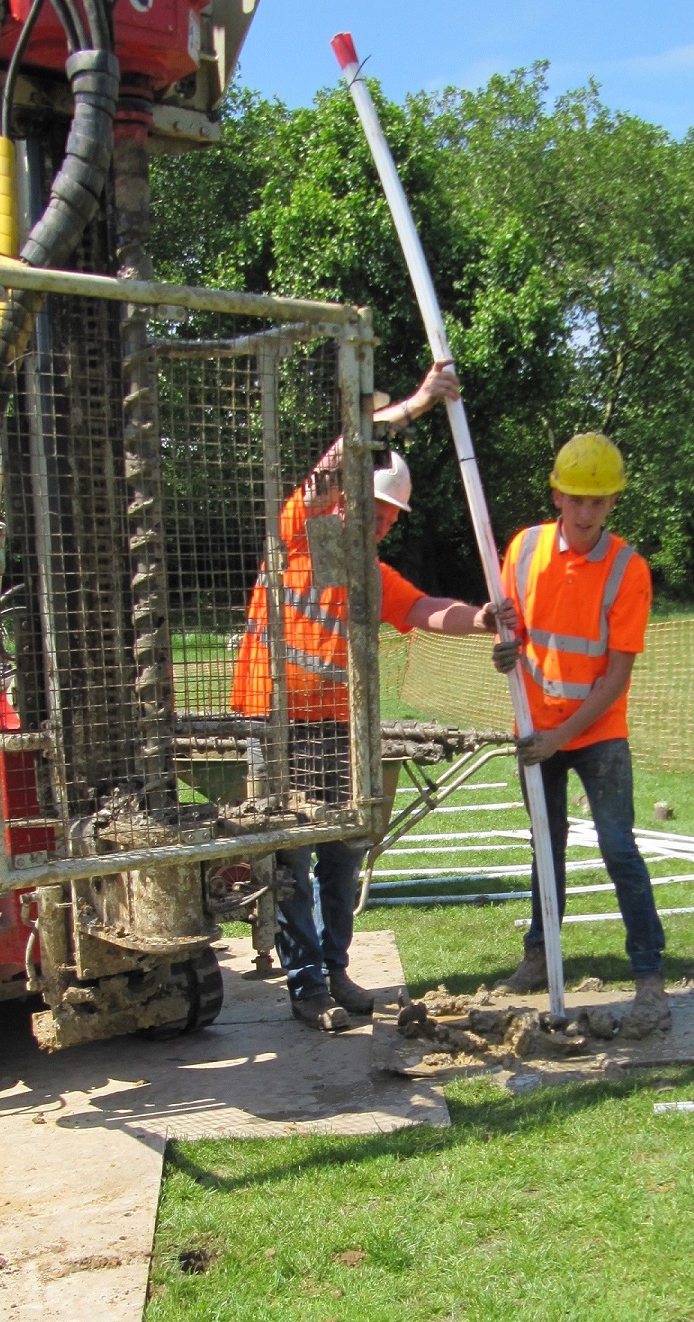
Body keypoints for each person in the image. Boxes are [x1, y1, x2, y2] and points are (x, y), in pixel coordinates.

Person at [231, 361, 502, 1031]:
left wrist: (485, 617)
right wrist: (414, 404)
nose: (379, 524)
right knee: (290, 856)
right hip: (273, 726)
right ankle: (305, 986)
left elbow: (427, 609)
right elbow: (338, 454)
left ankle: (336, 969)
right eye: (371, 509)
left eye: (388, 518)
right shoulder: (296, 533)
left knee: (342, 853)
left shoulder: (372, 574)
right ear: (344, 497)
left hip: (334, 729)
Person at [492, 432, 670, 1035]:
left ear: (613, 504)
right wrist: (503, 646)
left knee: (619, 848)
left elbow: (615, 677)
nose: (587, 512)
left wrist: (559, 735)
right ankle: (540, 957)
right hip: (536, 730)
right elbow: (510, 628)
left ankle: (649, 978)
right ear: (557, 496)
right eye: (577, 499)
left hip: (596, 731)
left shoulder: (628, 570)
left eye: (599, 501)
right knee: (547, 847)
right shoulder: (524, 549)